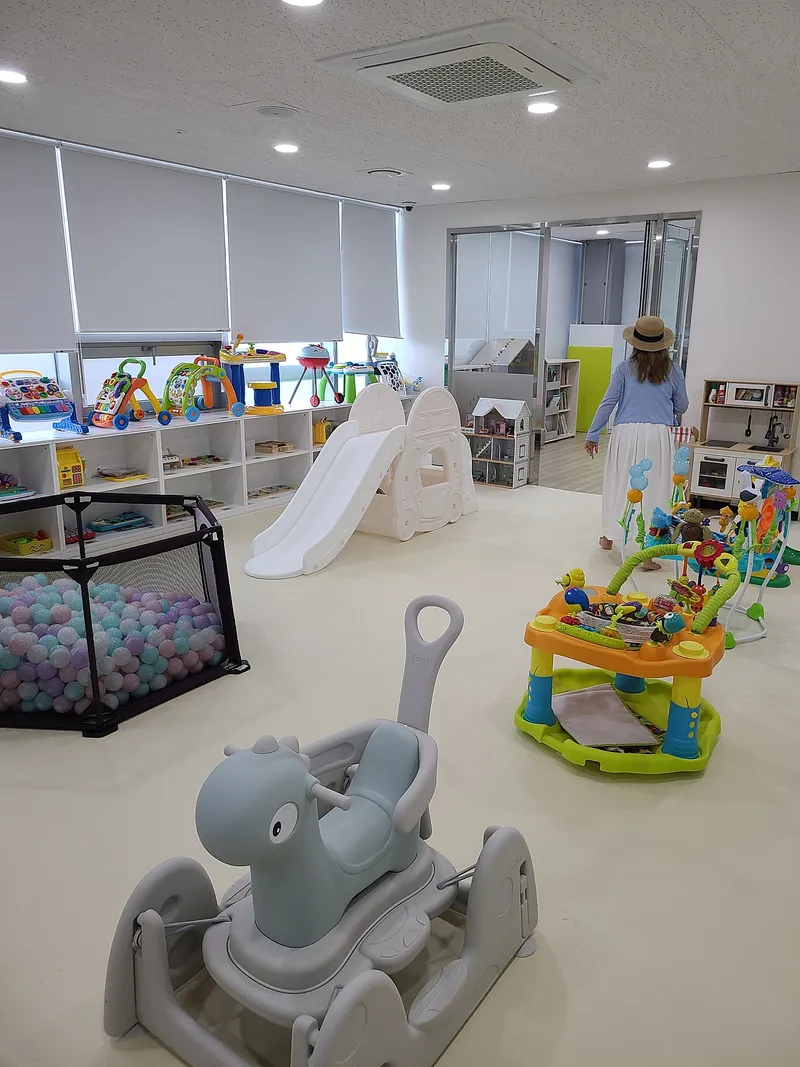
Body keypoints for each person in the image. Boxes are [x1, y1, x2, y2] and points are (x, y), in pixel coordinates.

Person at [585, 315, 689, 570]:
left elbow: (608, 402)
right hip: (658, 436)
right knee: (656, 488)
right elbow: (682, 405)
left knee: (620, 482)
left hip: (626, 434)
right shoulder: (673, 371)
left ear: (635, 343)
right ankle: (648, 553)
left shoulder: (624, 369)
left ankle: (609, 536)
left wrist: (593, 434)